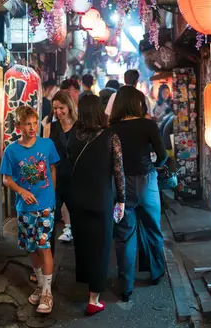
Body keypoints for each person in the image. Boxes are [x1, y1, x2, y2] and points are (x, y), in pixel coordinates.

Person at [67, 94, 126, 316]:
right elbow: (119, 171)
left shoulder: (73, 135)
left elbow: (68, 165)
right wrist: (121, 199)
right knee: (101, 248)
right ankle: (94, 299)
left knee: (83, 244)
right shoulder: (111, 136)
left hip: (77, 199)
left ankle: (85, 282)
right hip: (101, 199)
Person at [109, 86, 167, 302]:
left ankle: (126, 286)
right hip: (147, 182)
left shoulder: (112, 128)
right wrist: (154, 165)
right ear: (138, 103)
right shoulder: (148, 125)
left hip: (120, 187)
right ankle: (156, 272)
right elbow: (162, 156)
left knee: (124, 235)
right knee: (153, 228)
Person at [0, 106, 60, 314]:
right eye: (27, 124)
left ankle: (47, 292)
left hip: (45, 206)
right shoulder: (11, 150)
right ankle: (40, 284)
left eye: (35, 123)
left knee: (43, 245)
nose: (32, 127)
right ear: (18, 126)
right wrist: (21, 191)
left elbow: (53, 168)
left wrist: (52, 194)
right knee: (31, 247)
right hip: (25, 207)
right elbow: (6, 179)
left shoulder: (47, 144)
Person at [43, 91, 77, 243]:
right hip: (55, 176)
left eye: (61, 107)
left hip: (75, 176)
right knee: (51, 218)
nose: (58, 111)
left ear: (69, 106)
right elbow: (44, 155)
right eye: (55, 108)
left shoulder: (79, 127)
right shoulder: (49, 127)